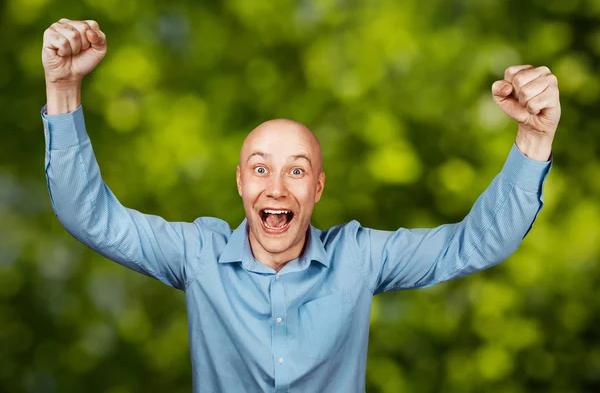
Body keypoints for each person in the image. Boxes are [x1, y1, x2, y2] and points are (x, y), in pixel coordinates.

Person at [41, 19, 558, 392]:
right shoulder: (198, 255)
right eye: (261, 169)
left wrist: (534, 139)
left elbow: (474, 244)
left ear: (317, 188)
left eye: (297, 170)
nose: (277, 187)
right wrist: (64, 89)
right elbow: (91, 216)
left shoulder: (358, 258)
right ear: (241, 183)